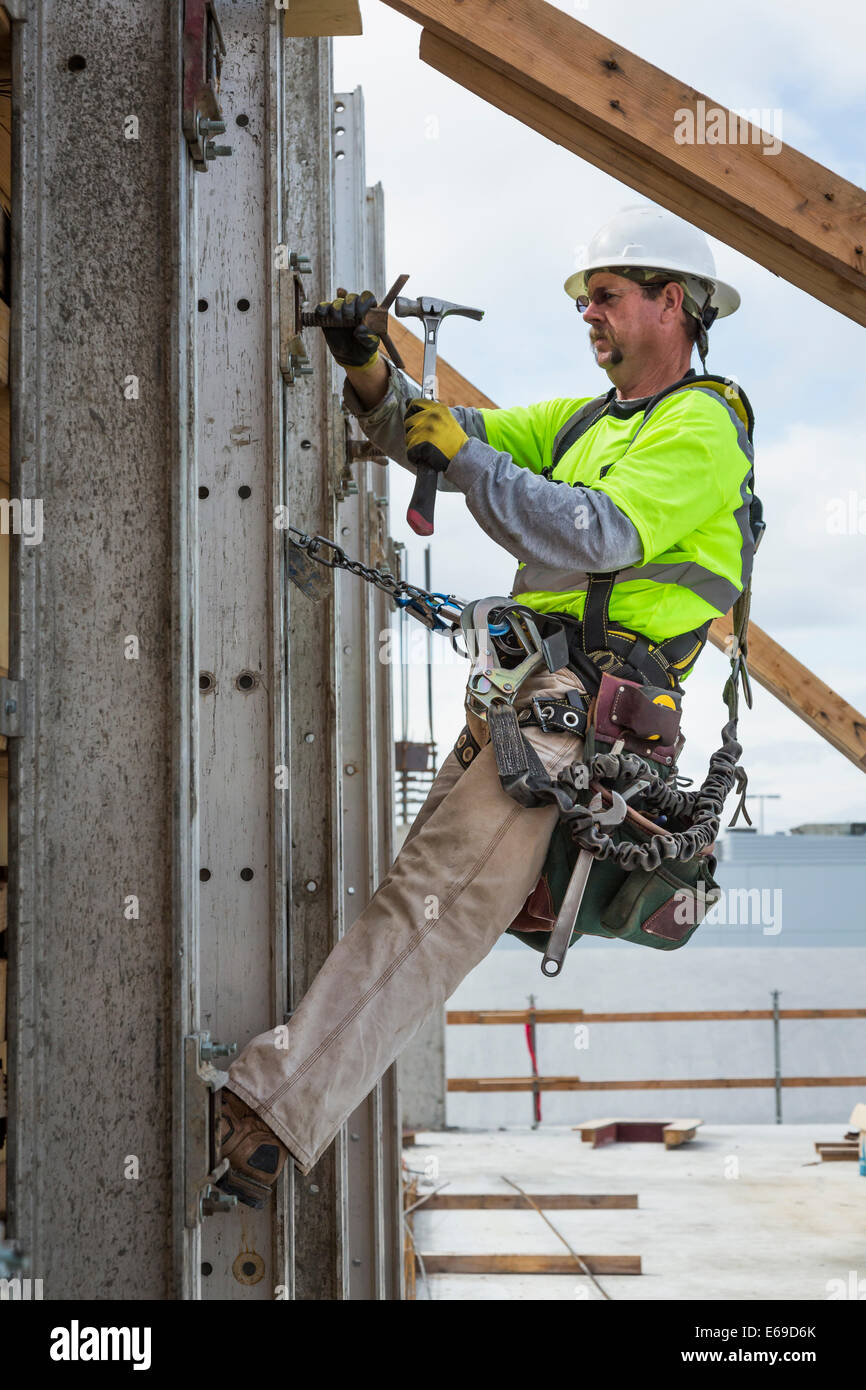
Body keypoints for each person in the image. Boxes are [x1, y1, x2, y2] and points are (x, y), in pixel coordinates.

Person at [216, 204, 756, 1208]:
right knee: (414, 906)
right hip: (522, 699)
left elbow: (592, 531)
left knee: (428, 918)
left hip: (580, 714)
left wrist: (466, 462)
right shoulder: (584, 421)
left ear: (668, 303)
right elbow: (431, 435)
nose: (586, 315)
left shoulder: (701, 426)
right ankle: (273, 1116)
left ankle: (268, 1114)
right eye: (583, 300)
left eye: (603, 297)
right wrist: (369, 369)